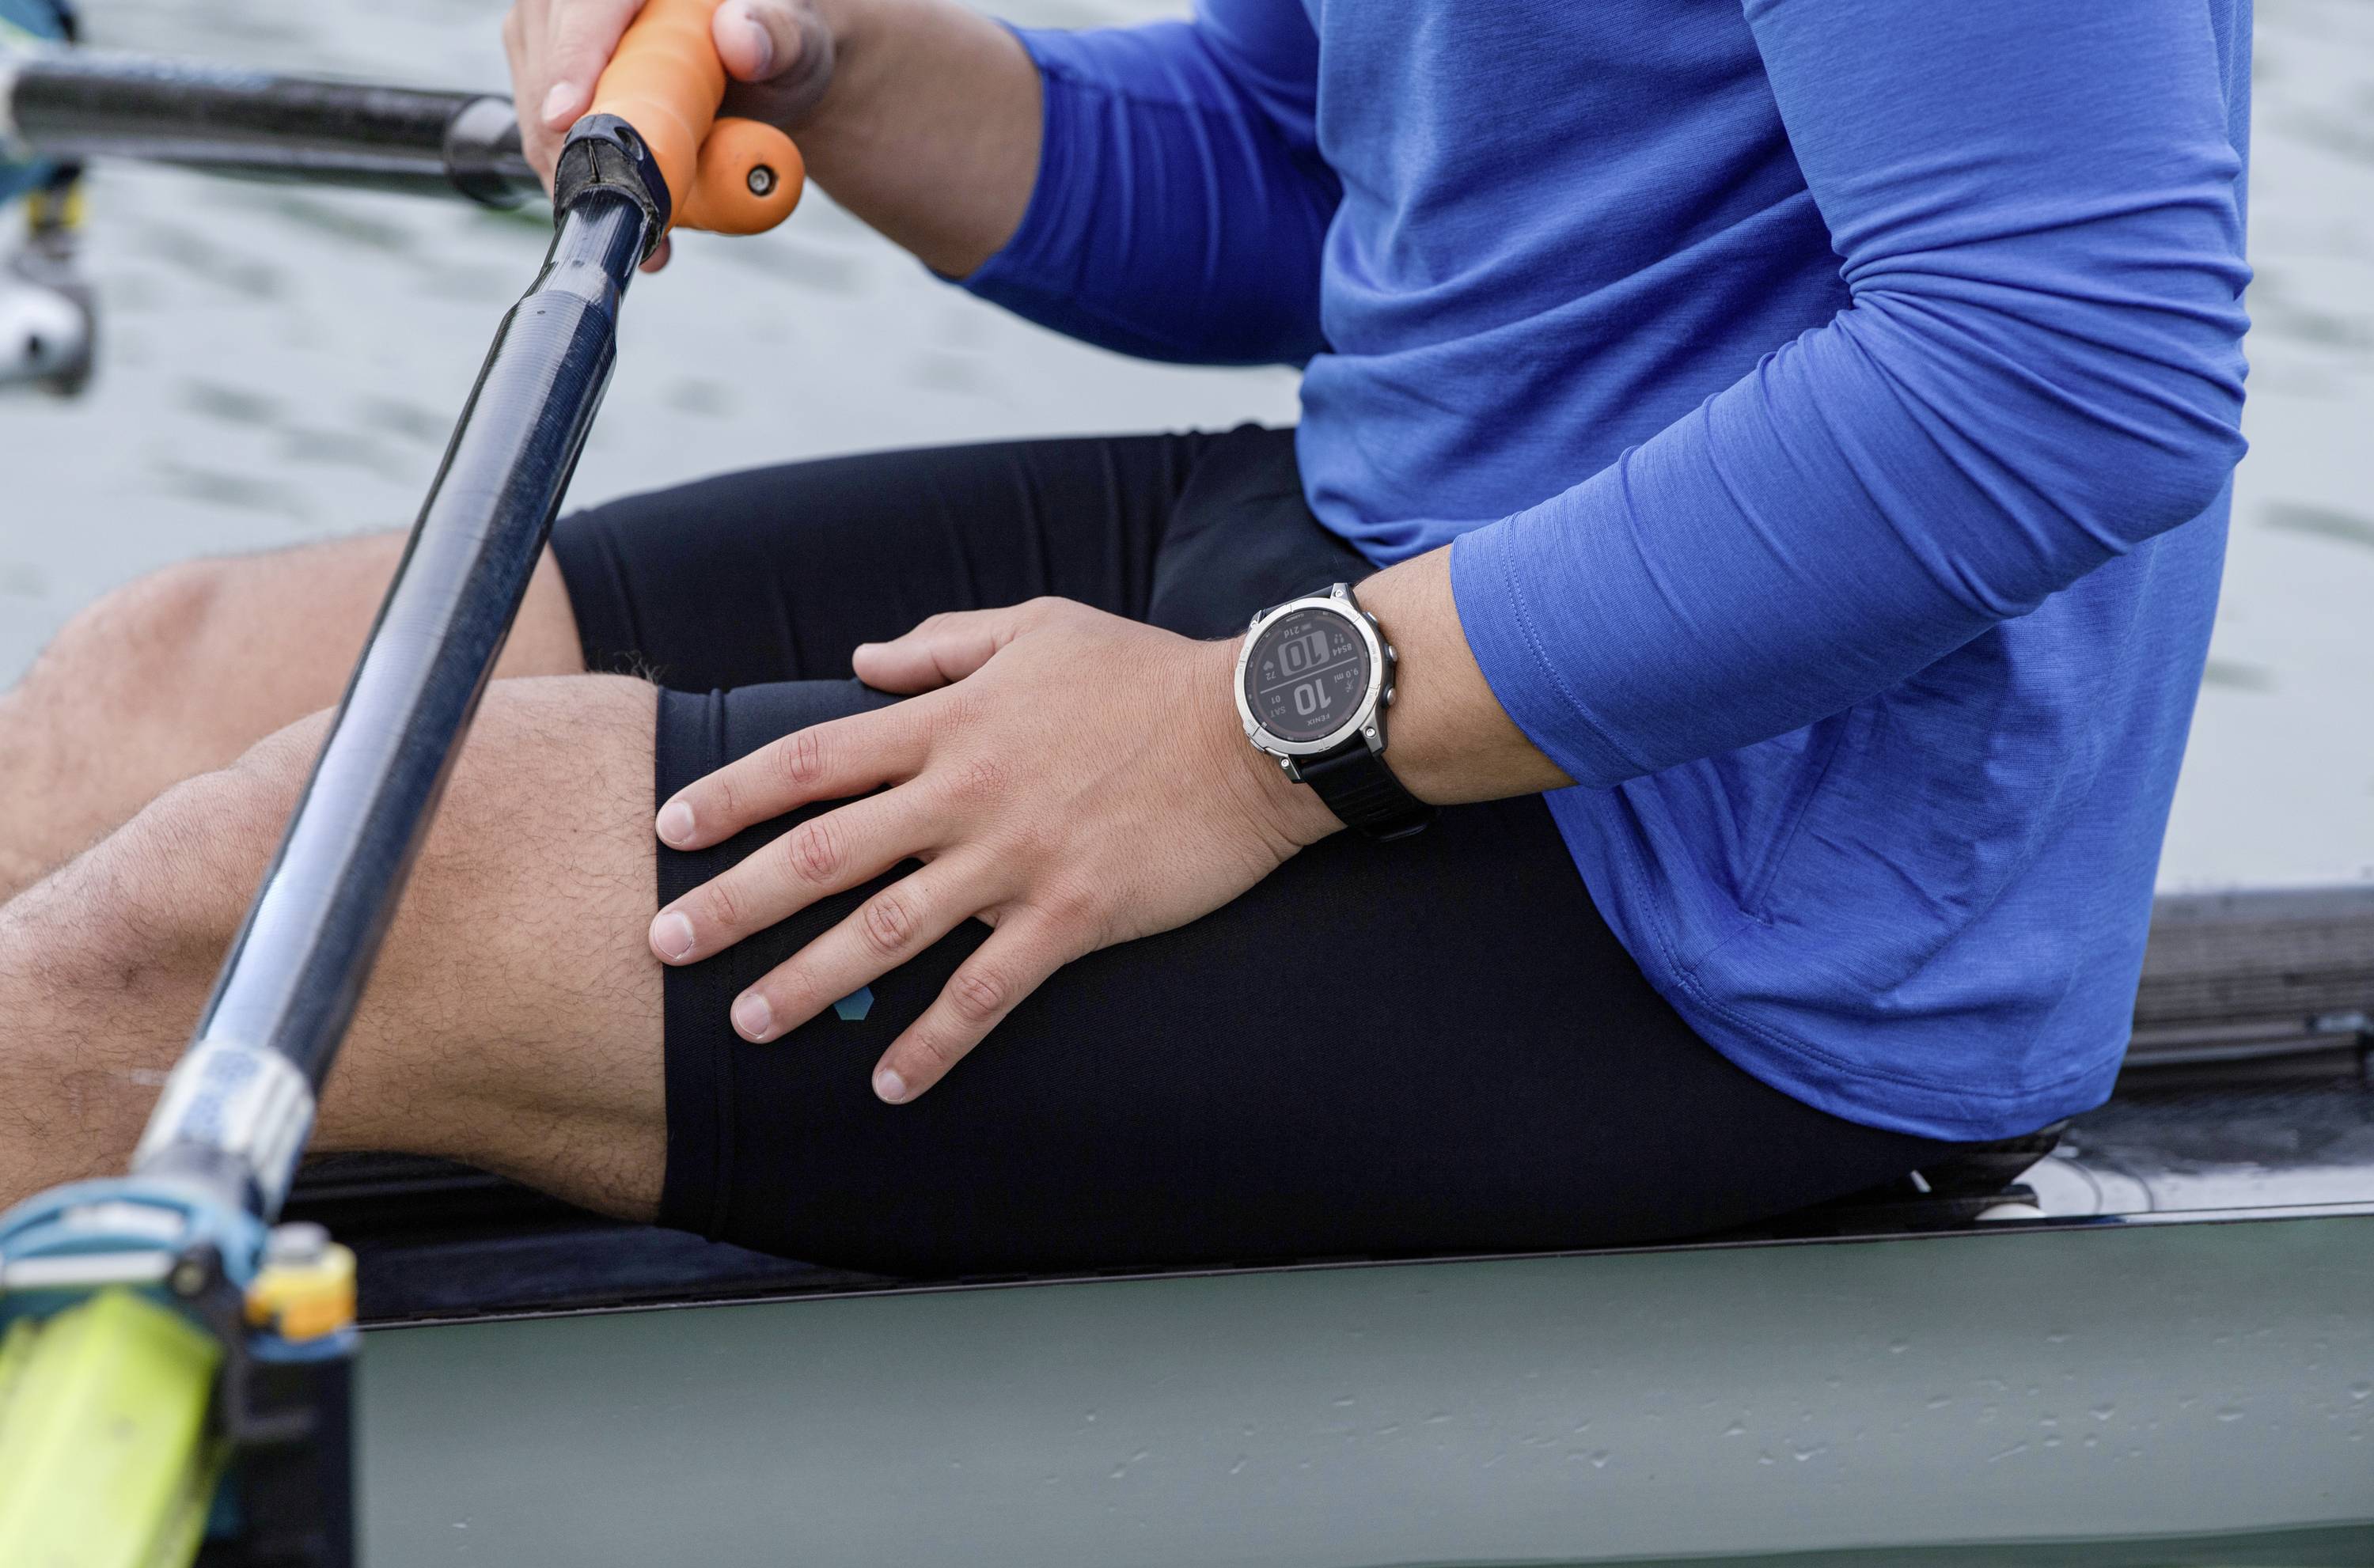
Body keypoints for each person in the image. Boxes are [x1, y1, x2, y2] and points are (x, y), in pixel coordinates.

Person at [0, 0, 2249, 1274]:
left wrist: (1231, 747)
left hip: (1743, 885)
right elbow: (1312, 166)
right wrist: (844, 59)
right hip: (1354, 546)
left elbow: (2071, 367)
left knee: (280, 902)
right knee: (160, 694)